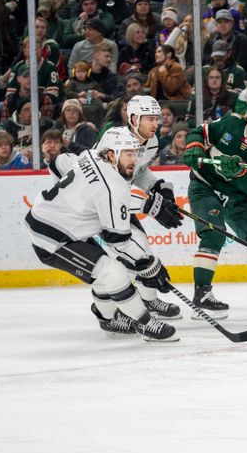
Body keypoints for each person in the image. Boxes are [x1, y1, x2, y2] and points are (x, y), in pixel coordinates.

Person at [23, 127, 178, 341]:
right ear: (112, 154)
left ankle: (108, 319)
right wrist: (151, 266)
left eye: (135, 153)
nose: (134, 160)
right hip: (50, 237)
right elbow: (119, 241)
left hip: (60, 225)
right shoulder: (113, 187)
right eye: (128, 154)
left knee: (102, 271)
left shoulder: (91, 155)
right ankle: (144, 323)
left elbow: (58, 161)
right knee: (112, 272)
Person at [181, 96, 247, 314]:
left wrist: (239, 171)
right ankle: (201, 295)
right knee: (214, 233)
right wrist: (194, 146)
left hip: (237, 196)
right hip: (205, 186)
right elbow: (200, 133)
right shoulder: (231, 123)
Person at [94, 95, 184, 320]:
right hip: (98, 208)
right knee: (125, 258)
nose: (156, 123)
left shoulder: (151, 142)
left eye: (158, 118)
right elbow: (104, 186)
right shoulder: (114, 139)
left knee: (141, 249)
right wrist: (149, 205)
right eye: (150, 119)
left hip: (121, 205)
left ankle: (147, 301)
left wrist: (157, 186)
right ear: (134, 118)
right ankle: (112, 313)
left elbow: (138, 172)